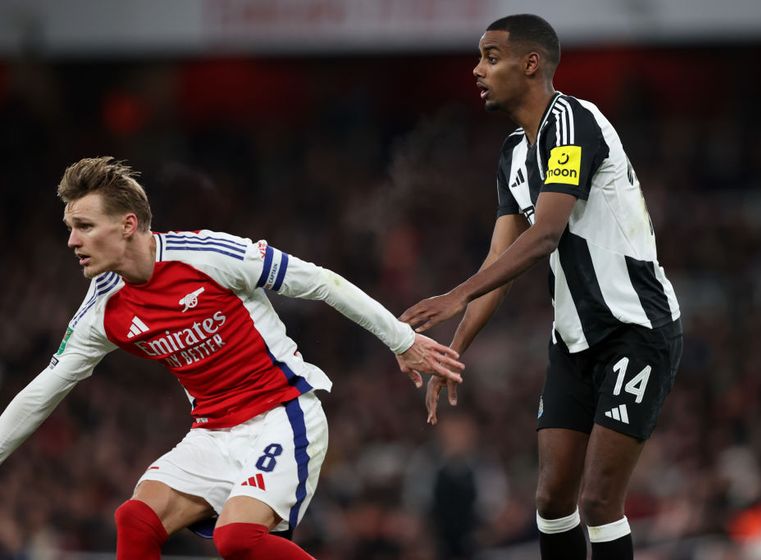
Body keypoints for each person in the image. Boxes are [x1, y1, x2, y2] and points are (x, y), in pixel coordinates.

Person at [0, 156, 464, 560]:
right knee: (134, 519)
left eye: (84, 226)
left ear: (127, 224)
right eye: (69, 229)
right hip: (212, 433)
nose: (72, 242)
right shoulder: (100, 310)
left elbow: (321, 281)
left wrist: (401, 340)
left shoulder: (208, 255)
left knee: (237, 539)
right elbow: (44, 390)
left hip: (283, 415)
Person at [400, 14, 682, 560]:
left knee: (600, 500)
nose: (477, 69)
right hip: (574, 342)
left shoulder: (572, 122)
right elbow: (498, 258)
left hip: (635, 330)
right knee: (552, 500)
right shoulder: (512, 154)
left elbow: (547, 233)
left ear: (530, 63)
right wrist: (452, 350)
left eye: (490, 56)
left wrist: (454, 294)